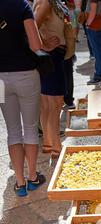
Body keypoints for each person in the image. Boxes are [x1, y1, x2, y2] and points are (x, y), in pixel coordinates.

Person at [0, 0, 46, 197]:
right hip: (26, 74)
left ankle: (19, 182)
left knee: (12, 130)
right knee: (30, 127)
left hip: (1, 78)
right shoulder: (22, 6)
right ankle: (33, 176)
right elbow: (36, 45)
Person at [34, 0, 68, 158]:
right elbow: (31, 26)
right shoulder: (46, 2)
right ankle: (56, 148)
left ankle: (49, 146)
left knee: (48, 104)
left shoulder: (51, 2)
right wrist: (44, 44)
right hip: (51, 57)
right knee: (55, 103)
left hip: (53, 56)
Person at [85, 0, 101, 85]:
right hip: (100, 23)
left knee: (98, 52)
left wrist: (88, 23)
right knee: (100, 50)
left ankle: (99, 75)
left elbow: (93, 10)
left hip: (94, 25)